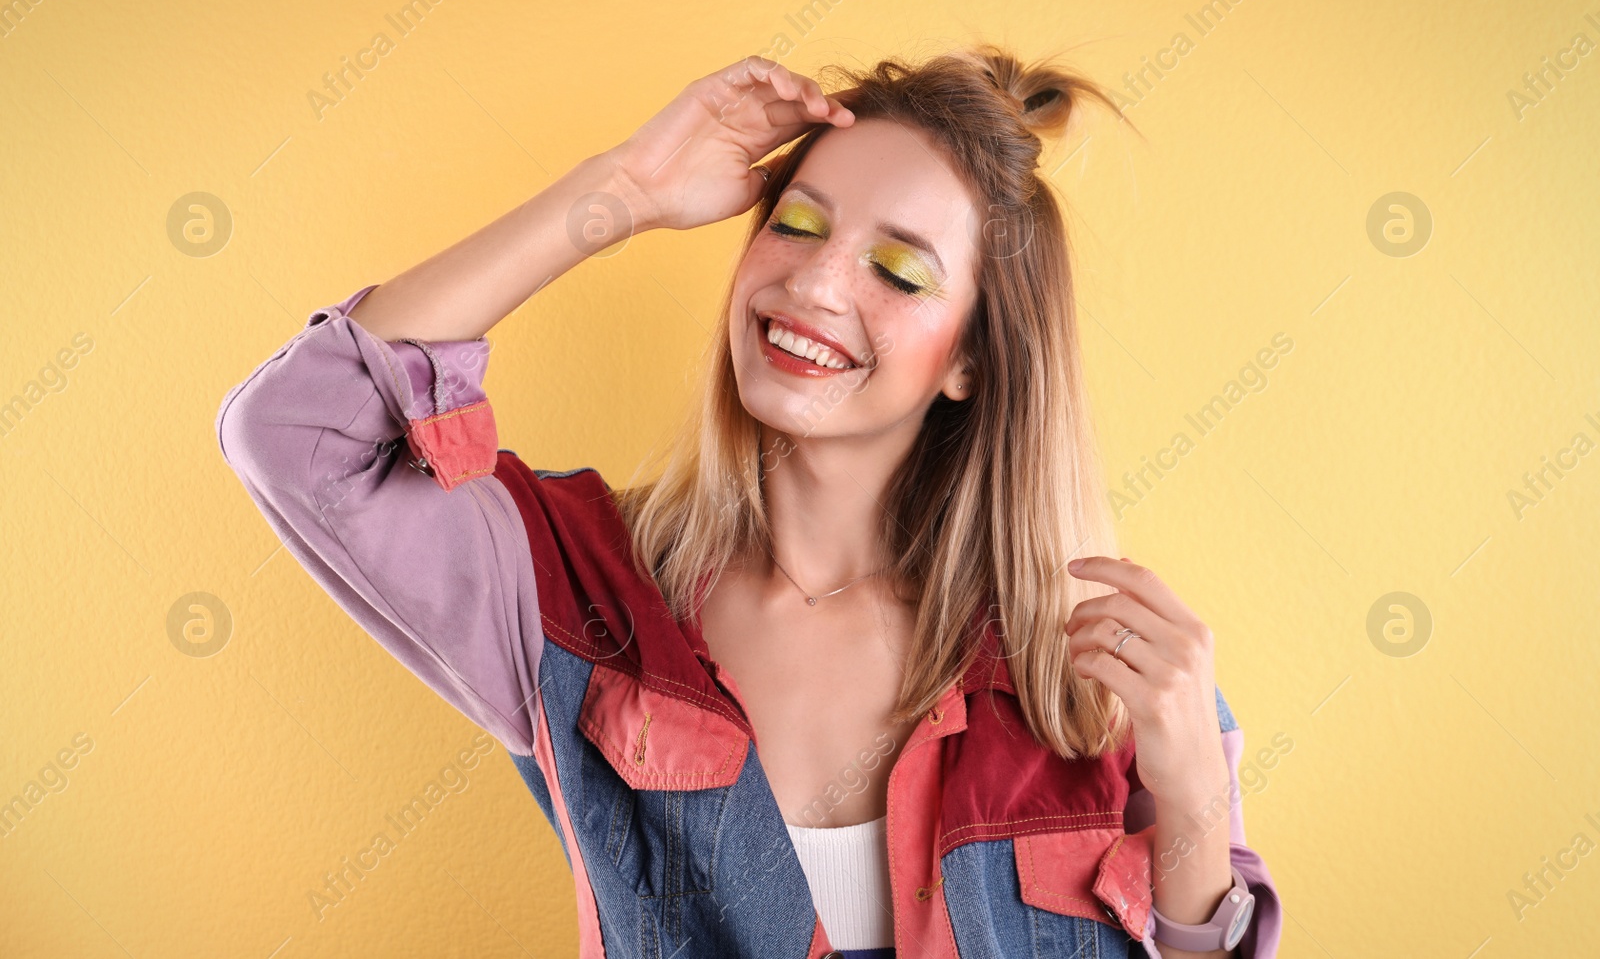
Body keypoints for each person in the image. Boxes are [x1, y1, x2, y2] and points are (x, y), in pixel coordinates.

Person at [217, 48, 1281, 958]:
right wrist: (624, 190)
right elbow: (297, 428)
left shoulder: (1092, 673)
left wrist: (1194, 803)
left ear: (971, 359)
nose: (815, 286)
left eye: (899, 271)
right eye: (796, 224)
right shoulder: (575, 595)